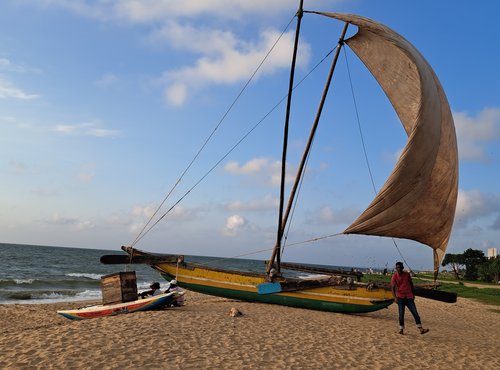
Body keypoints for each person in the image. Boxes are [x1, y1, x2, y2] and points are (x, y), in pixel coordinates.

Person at [391, 261, 429, 335]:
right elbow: (392, 287)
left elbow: (411, 284)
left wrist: (413, 294)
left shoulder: (407, 274)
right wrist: (395, 297)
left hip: (409, 297)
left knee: (415, 313)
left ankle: (421, 329)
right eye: (397, 267)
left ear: (402, 268)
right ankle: (401, 329)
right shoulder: (394, 276)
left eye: (399, 267)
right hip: (400, 297)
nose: (398, 269)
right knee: (401, 314)